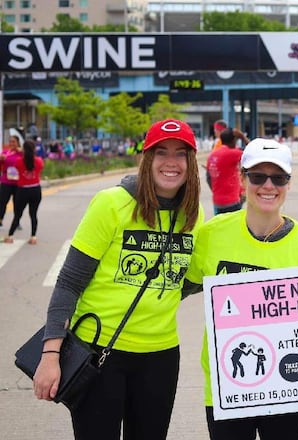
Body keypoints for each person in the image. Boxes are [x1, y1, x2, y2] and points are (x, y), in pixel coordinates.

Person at [32, 118, 204, 440]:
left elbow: (183, 280)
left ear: (191, 163)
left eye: (180, 153)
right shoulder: (112, 203)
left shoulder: (193, 216)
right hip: (99, 351)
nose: (171, 162)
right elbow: (69, 282)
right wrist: (51, 355)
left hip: (161, 356)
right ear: (146, 158)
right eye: (160, 152)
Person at [182, 138, 298, 440]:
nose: (268, 186)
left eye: (278, 178)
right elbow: (174, 288)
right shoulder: (211, 234)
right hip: (227, 387)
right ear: (242, 178)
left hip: (285, 388)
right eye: (258, 176)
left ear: (288, 184)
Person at [4, 139, 44, 244]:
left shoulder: (19, 162)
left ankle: (10, 236)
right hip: (35, 189)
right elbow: (40, 168)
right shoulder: (39, 161)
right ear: (34, 149)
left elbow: (16, 167)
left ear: (24, 150)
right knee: (33, 214)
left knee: (18, 214)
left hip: (23, 190)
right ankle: (33, 237)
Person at [206, 128, 244, 214]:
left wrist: (218, 192)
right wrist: (242, 137)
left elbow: (208, 178)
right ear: (234, 140)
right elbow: (252, 153)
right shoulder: (233, 153)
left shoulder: (212, 155)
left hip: (217, 201)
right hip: (232, 202)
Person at [0, 128, 24, 229]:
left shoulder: (21, 153)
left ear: (18, 142)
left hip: (18, 182)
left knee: (17, 203)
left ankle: (17, 222)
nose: (11, 143)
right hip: (6, 181)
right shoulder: (5, 152)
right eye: (10, 141)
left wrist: (21, 152)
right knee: (2, 202)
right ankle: (0, 220)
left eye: (13, 141)